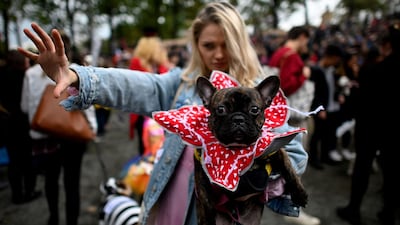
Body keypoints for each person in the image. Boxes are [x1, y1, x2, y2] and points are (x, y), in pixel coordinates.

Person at [18, 2, 309, 225]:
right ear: (197, 45)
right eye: (209, 45)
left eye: (226, 45)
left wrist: (259, 184)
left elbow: (293, 156)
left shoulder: (262, 94)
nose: (219, 54)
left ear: (240, 43)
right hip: (172, 203)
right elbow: (134, 84)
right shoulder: (180, 85)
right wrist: (77, 76)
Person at [20, 32, 97, 225]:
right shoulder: (78, 72)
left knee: (50, 181)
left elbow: (25, 107)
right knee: (72, 183)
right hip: (72, 136)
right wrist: (92, 129)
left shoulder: (30, 75)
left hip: (45, 137)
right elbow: (88, 107)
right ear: (67, 50)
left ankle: (53, 217)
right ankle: (72, 221)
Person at [336, 20, 400, 225]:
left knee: (362, 167)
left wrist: (354, 90)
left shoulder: (375, 69)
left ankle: (354, 209)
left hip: (371, 126)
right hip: (393, 128)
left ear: (387, 45)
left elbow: (363, 96)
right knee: (392, 172)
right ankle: (388, 212)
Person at [0, 49, 41, 204]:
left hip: (7, 124)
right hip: (23, 124)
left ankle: (16, 194)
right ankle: (29, 191)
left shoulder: (2, 75)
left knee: (13, 162)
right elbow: (28, 104)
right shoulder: (26, 76)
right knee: (28, 161)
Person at [128, 35, 170, 155]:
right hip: (143, 113)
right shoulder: (137, 63)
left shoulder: (161, 65)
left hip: (160, 112)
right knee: (146, 147)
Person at [308, 44, 344, 170]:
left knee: (327, 133)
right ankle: (314, 159)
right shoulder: (316, 70)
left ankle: (325, 156)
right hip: (321, 108)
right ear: (331, 57)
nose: (337, 62)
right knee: (317, 134)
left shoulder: (332, 70)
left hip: (332, 107)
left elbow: (332, 88)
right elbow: (314, 92)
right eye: (336, 59)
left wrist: (338, 95)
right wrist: (320, 108)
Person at [268, 25, 312, 127]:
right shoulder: (291, 56)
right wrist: (303, 76)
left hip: (278, 108)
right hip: (290, 111)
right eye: (306, 41)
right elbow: (286, 86)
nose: (306, 45)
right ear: (302, 37)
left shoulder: (279, 53)